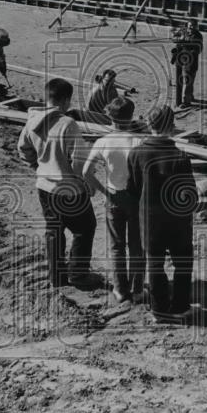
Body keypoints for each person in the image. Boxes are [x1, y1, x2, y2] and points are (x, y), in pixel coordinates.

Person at [17, 77, 98, 289]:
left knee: (54, 230)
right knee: (85, 228)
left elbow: (23, 148)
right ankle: (78, 275)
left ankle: (57, 277)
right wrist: (87, 184)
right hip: (68, 189)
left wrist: (37, 167)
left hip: (44, 186)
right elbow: (79, 160)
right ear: (65, 100)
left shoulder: (32, 120)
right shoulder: (68, 124)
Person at [127, 104, 198, 323]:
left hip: (149, 220)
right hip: (177, 221)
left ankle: (158, 309)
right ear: (172, 127)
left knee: (154, 264)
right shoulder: (179, 155)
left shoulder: (136, 153)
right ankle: (180, 307)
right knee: (183, 263)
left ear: (148, 124)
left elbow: (132, 188)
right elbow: (189, 195)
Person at [82, 97, 146, 303]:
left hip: (113, 195)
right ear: (131, 116)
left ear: (111, 118)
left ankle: (119, 289)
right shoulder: (139, 142)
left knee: (116, 245)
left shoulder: (103, 142)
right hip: (135, 197)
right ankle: (137, 289)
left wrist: (102, 190)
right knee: (137, 246)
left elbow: (86, 172)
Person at [170, 18, 203, 107]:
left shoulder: (198, 36)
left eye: (193, 26)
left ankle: (186, 101)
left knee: (189, 81)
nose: (190, 28)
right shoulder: (183, 31)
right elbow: (173, 38)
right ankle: (189, 96)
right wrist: (179, 38)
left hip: (191, 62)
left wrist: (187, 46)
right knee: (186, 81)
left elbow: (198, 49)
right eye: (189, 26)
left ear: (196, 27)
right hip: (181, 60)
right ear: (187, 26)